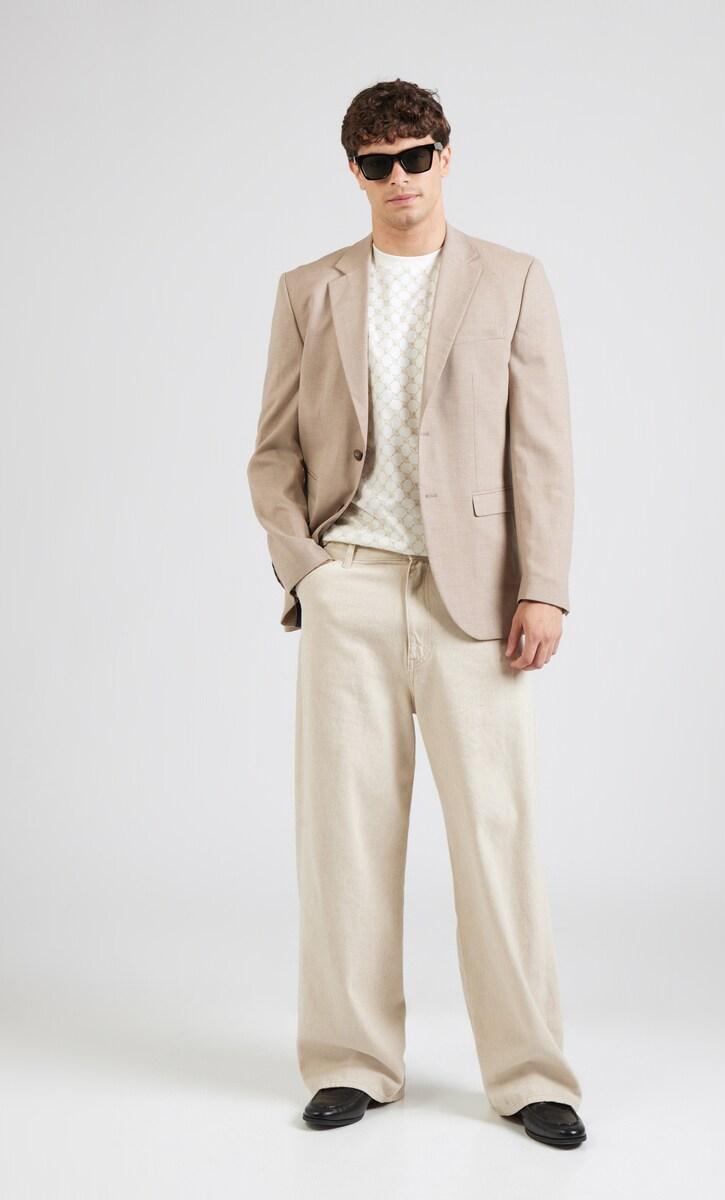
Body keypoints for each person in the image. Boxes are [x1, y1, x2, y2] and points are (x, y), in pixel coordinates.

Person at [246, 78, 586, 1149]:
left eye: (417, 156)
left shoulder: (512, 280)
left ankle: (531, 1076)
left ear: (446, 155)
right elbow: (273, 454)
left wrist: (543, 584)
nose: (401, 178)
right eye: (379, 163)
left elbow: (542, 447)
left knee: (497, 836)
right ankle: (351, 1061)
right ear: (355, 172)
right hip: (348, 584)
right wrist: (307, 572)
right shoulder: (309, 290)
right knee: (343, 839)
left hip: (473, 597)